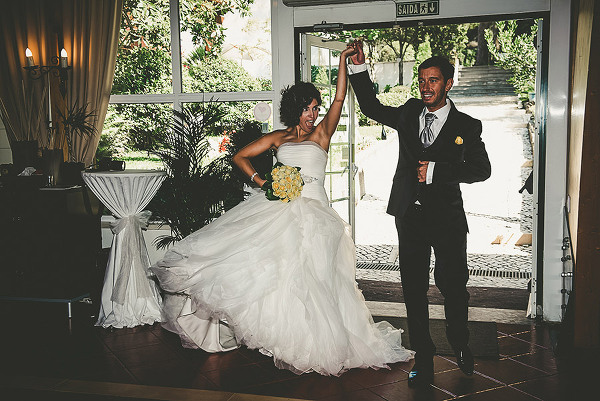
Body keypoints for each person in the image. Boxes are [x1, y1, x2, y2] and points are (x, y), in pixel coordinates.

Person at [150, 43, 414, 377]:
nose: (313, 115)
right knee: (283, 278)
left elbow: (339, 99)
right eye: (307, 109)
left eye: (315, 108)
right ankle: (293, 342)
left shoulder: (322, 134)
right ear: (294, 110)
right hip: (282, 212)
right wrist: (264, 183)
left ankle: (326, 342)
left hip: (317, 216)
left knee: (321, 281)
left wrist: (343, 61)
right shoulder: (279, 137)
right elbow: (240, 157)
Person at [348, 41, 491, 387]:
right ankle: (423, 357)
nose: (426, 87)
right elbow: (370, 107)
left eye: (433, 80)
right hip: (409, 217)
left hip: (447, 220)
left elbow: (481, 169)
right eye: (422, 80)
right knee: (413, 290)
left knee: (453, 286)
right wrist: (359, 69)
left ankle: (459, 341)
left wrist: (437, 171)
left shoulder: (467, 125)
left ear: (448, 83)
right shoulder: (410, 111)